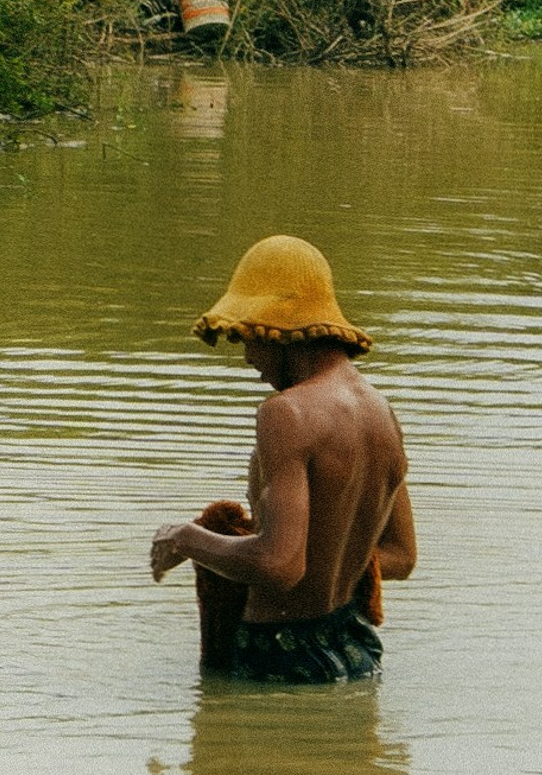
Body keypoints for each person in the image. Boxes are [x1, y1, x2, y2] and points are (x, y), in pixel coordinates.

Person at [149, 234, 416, 682]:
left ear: (279, 329)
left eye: (248, 335)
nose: (249, 357)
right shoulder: (381, 411)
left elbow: (279, 566)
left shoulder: (285, 413)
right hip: (354, 650)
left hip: (277, 658)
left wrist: (187, 539)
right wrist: (331, 558)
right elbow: (400, 556)